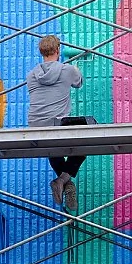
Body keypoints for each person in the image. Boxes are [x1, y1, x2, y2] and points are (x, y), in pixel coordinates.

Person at [26, 35, 84, 211]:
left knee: (53, 149)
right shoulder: (68, 70)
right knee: (88, 138)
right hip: (57, 124)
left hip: (35, 127)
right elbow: (79, 83)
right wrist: (75, 68)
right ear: (58, 50)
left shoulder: (31, 75)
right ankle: (63, 180)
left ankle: (66, 184)